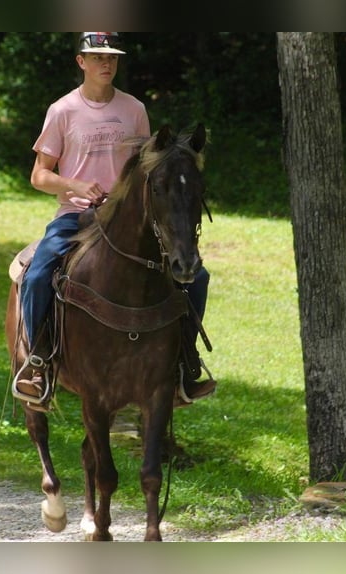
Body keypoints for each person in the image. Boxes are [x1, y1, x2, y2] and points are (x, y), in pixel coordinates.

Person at [12, 32, 216, 412]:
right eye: (97, 57)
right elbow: (39, 175)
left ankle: (184, 364)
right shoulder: (62, 111)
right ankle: (37, 362)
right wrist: (72, 184)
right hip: (77, 215)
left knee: (197, 276)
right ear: (81, 62)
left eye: (112, 58)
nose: (106, 64)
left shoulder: (134, 109)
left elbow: (148, 169)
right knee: (39, 272)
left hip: (127, 218)